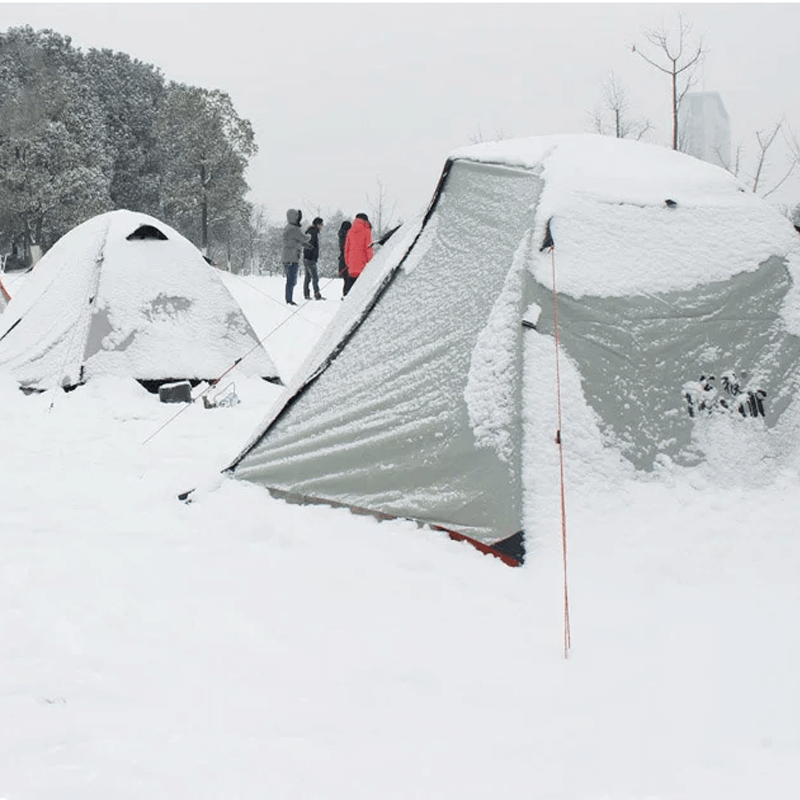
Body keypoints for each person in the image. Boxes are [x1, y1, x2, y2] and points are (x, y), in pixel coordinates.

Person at [282, 209, 310, 305]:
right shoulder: (293, 229)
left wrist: (305, 245)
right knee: (291, 280)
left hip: (289, 257)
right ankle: (289, 300)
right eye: (298, 216)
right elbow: (303, 238)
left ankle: (289, 298)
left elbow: (296, 241)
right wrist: (310, 235)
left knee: (291, 280)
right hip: (291, 258)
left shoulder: (289, 228)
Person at [344, 212, 373, 290]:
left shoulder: (350, 231)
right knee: (362, 290)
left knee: (351, 288)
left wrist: (348, 263)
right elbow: (369, 248)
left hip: (352, 265)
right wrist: (370, 262)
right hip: (363, 265)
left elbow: (346, 249)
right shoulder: (367, 231)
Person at [302, 217, 325, 300]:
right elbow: (311, 246)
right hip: (310, 258)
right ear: (318, 225)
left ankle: (306, 294)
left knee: (308, 277)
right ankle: (317, 294)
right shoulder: (313, 232)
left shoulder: (310, 231)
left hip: (306, 257)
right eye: (322, 224)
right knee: (314, 277)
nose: (322, 226)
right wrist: (313, 256)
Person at [337, 219, 354, 297]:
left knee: (346, 279)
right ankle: (347, 294)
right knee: (348, 279)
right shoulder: (346, 236)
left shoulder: (341, 235)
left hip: (342, 259)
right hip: (346, 259)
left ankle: (346, 293)